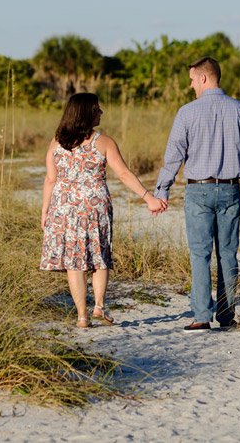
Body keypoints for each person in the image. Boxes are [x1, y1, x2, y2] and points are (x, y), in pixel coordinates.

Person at [40, 93, 167, 328]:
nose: (101, 112)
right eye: (97, 109)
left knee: (74, 262)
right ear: (86, 113)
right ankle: (98, 306)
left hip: (65, 208)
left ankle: (82, 317)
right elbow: (124, 174)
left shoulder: (57, 141)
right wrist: (149, 198)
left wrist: (45, 211)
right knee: (99, 256)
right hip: (94, 208)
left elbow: (50, 178)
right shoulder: (104, 142)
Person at [154, 57, 240, 332]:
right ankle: (226, 315)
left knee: (200, 253)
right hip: (230, 189)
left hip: (198, 190)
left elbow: (173, 155)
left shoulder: (186, 113)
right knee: (228, 253)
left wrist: (162, 189)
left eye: (192, 79)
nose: (190, 85)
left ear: (204, 78)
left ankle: (202, 315)